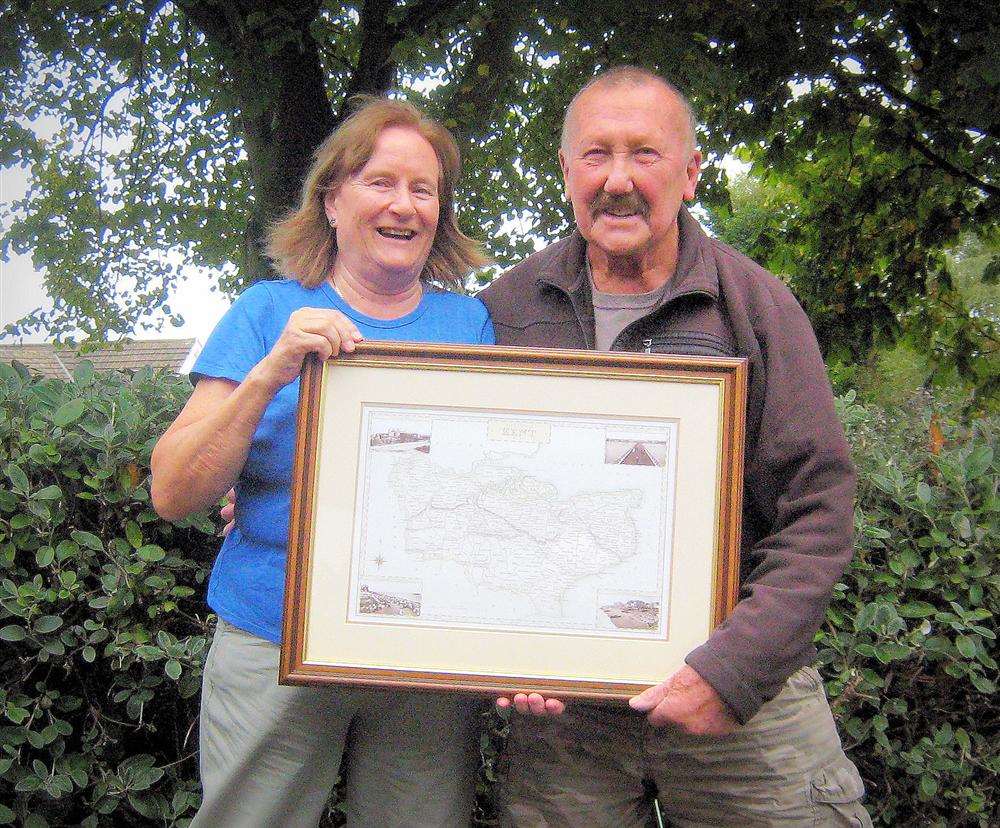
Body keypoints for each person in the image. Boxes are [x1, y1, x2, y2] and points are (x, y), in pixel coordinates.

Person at [480, 67, 873, 826]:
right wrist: (498, 643)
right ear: (566, 173)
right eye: (595, 155)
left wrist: (731, 672)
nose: (618, 180)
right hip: (567, 720)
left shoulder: (757, 306)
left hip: (742, 704)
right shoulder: (507, 308)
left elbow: (817, 509)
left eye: (646, 154)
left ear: (690, 173)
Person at [150, 98, 494, 828]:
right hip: (272, 639)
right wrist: (270, 374)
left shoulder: (470, 325)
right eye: (379, 182)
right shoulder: (266, 312)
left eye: (423, 189)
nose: (403, 205)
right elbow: (174, 491)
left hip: (420, 654)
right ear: (332, 200)